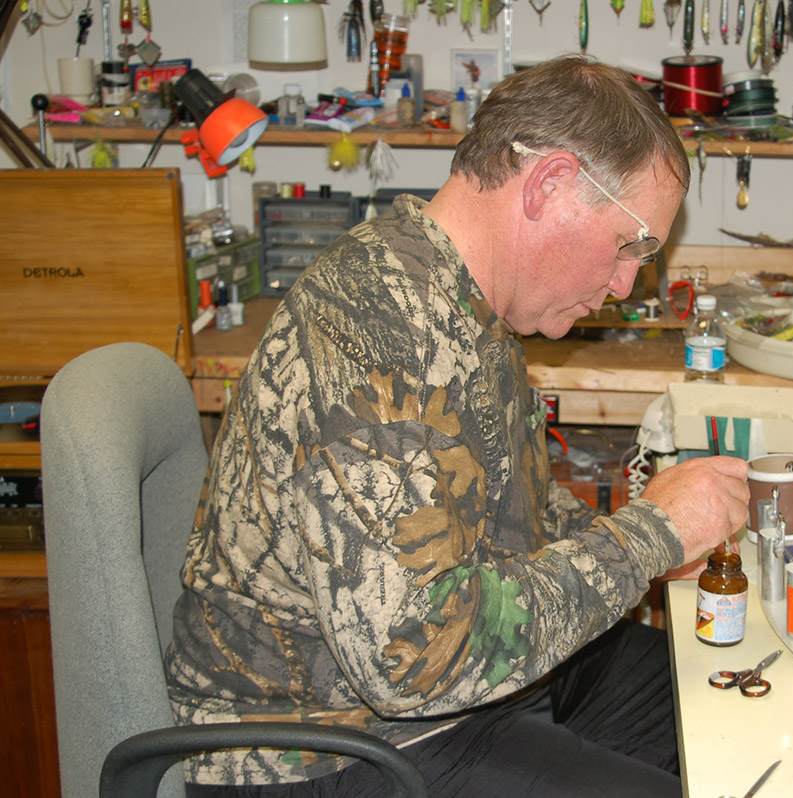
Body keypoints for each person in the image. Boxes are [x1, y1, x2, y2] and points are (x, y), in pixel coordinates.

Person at [166, 54, 750, 797]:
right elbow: (414, 659)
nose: (626, 283)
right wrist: (649, 536)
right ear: (550, 185)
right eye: (631, 244)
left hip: (458, 688)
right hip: (327, 745)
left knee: (723, 708)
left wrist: (662, 536)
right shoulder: (373, 334)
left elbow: (521, 520)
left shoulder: (467, 304)